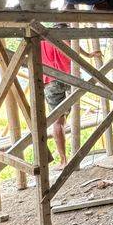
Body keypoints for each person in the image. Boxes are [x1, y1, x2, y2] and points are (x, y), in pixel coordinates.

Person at [42, 23, 102, 169]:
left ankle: (64, 160)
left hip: (50, 81)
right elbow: (72, 44)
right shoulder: (65, 37)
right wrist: (87, 55)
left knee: (58, 121)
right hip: (70, 78)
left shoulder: (42, 40)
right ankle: (73, 157)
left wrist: (88, 55)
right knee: (73, 113)